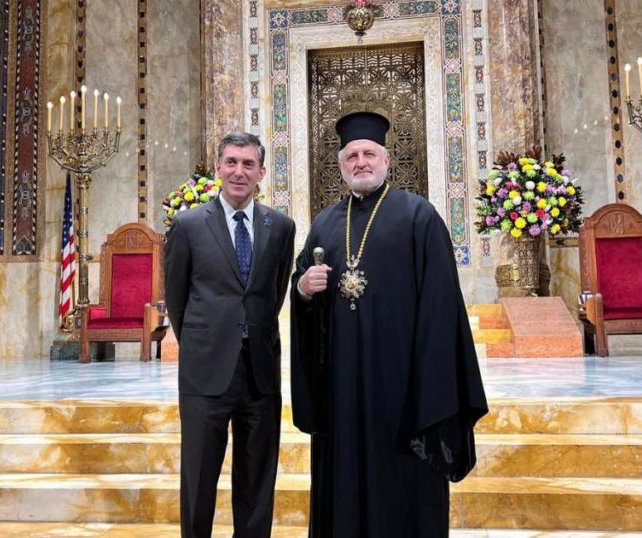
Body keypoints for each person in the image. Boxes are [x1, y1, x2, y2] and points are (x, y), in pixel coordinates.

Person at [291, 111, 488, 537]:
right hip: (341, 389)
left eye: (368, 154)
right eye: (351, 157)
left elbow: (441, 307)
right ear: (340, 165)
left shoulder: (419, 217)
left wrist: (430, 383)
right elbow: (303, 292)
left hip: (403, 390)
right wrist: (304, 289)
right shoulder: (325, 223)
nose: (360, 162)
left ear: (386, 159)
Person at [164, 132, 296, 538]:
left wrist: (248, 331)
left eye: (249, 164)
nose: (240, 171)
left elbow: (272, 294)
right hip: (205, 372)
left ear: (261, 173)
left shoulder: (281, 226)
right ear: (219, 167)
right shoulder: (188, 225)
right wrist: (206, 341)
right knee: (199, 475)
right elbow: (176, 297)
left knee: (258, 475)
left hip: (259, 369)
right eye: (232, 162)